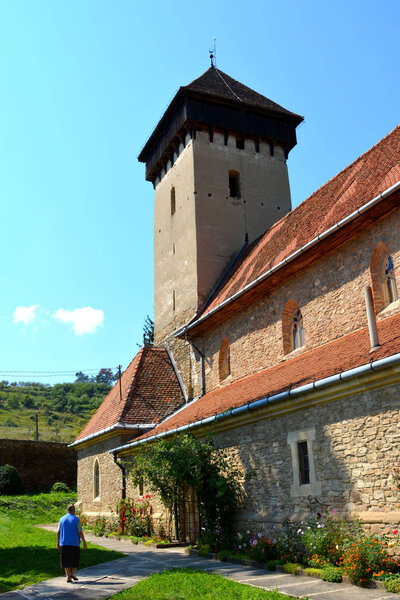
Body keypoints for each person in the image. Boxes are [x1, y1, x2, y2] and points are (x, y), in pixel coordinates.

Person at [57, 504, 87, 582]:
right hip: (74, 543)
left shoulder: (61, 519)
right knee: (74, 560)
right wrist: (84, 542)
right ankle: (73, 573)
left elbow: (58, 532)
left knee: (65, 560)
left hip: (64, 542)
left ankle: (68, 575)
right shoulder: (76, 519)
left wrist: (58, 542)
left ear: (67, 510)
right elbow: (80, 532)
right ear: (74, 511)